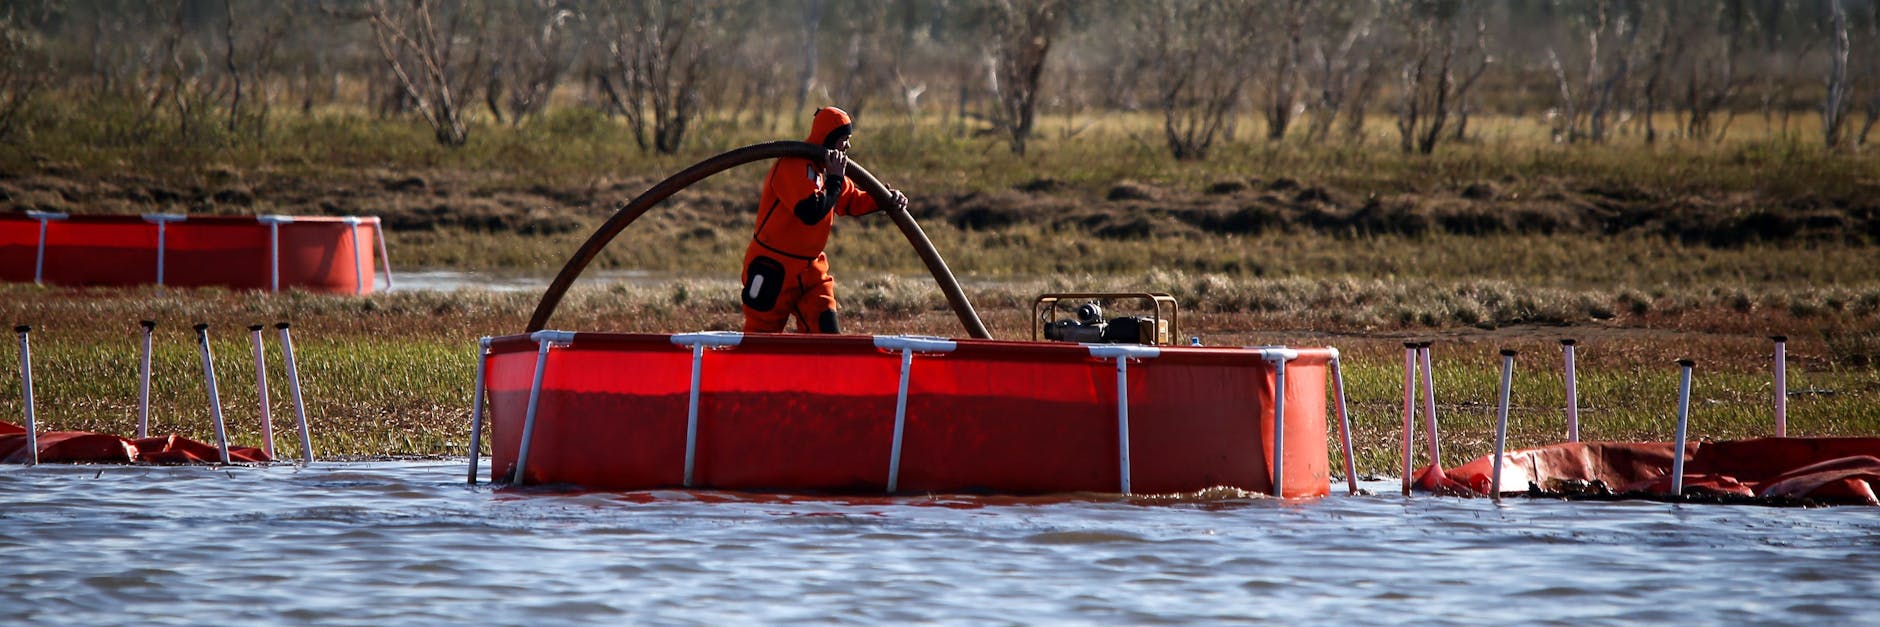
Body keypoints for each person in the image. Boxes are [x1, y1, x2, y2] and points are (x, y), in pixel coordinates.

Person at [740, 106, 907, 334]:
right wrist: (835, 180)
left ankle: (820, 370)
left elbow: (851, 201)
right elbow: (811, 211)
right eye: (843, 139)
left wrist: (885, 199)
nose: (847, 146)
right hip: (773, 268)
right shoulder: (792, 165)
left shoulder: (828, 170)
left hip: (812, 271)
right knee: (758, 342)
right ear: (828, 137)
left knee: (827, 338)